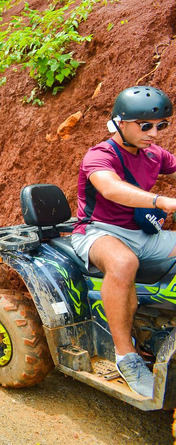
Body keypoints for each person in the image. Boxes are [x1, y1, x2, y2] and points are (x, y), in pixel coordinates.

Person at [71, 86, 176, 398]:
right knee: (123, 262)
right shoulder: (99, 156)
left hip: (144, 233)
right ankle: (125, 357)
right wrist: (162, 200)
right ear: (120, 123)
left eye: (162, 126)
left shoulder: (154, 155)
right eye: (146, 126)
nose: (155, 134)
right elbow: (112, 189)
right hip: (98, 231)